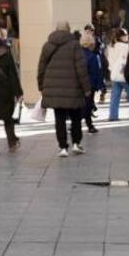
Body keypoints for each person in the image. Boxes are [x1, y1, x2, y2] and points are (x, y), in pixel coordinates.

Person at [38, 21, 91, 157]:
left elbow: (41, 68)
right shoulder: (74, 45)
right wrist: (86, 88)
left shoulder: (47, 46)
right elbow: (81, 68)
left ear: (56, 30)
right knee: (75, 117)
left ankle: (62, 147)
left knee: (59, 118)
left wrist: (41, 86)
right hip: (73, 88)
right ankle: (76, 143)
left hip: (54, 89)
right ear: (68, 30)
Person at [105, 28, 129, 122]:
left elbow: (110, 60)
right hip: (124, 74)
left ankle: (113, 116)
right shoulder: (126, 47)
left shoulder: (110, 46)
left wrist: (111, 69)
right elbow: (126, 61)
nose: (127, 36)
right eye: (126, 35)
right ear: (121, 37)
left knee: (115, 97)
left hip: (114, 74)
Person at [80, 29, 103, 134]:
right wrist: (98, 86)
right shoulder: (92, 57)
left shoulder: (77, 55)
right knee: (88, 105)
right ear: (91, 44)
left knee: (80, 105)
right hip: (89, 85)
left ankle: (75, 124)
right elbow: (95, 72)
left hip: (78, 84)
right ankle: (89, 125)